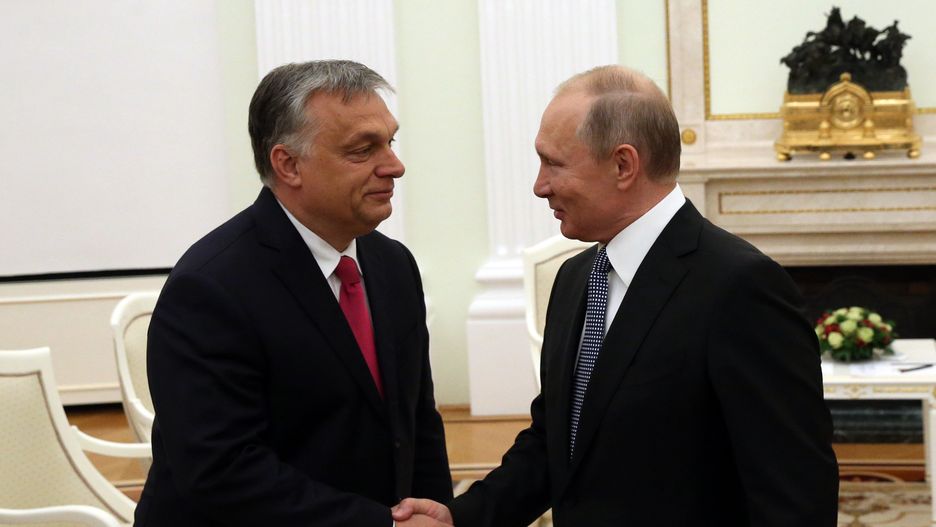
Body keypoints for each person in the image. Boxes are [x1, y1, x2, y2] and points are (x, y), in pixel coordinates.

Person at [393, 65, 838, 525]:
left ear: (624, 165)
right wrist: (459, 519)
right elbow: (557, 443)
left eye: (554, 163)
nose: (539, 185)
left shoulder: (740, 287)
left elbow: (795, 492)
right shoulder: (575, 278)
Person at [135, 60, 453, 527]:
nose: (395, 166)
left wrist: (435, 514)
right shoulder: (209, 288)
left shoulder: (393, 266)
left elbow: (416, 422)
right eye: (363, 150)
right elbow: (222, 471)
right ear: (288, 165)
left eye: (390, 141)